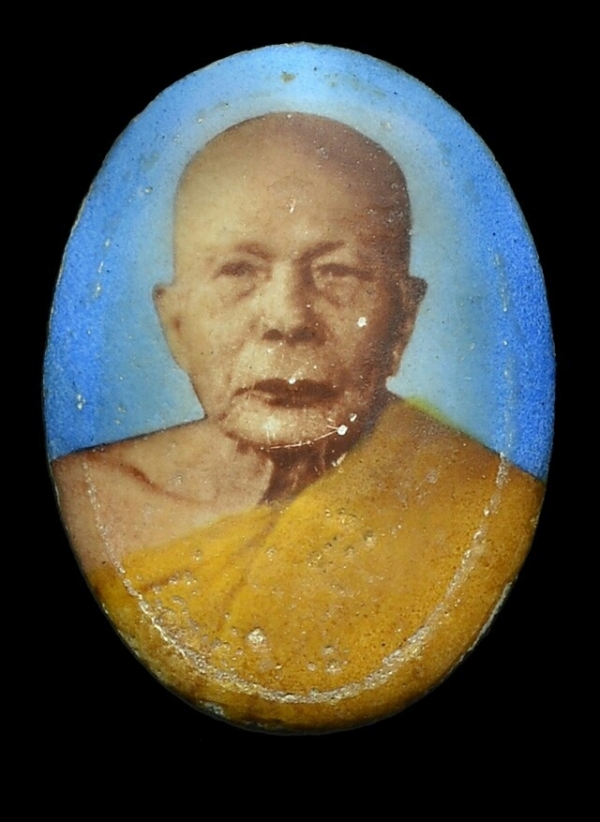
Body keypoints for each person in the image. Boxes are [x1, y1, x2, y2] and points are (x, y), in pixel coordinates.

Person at [52, 113, 544, 732]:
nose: (288, 318)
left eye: (338, 272)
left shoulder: (489, 510)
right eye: (239, 271)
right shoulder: (86, 501)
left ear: (404, 320)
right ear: (175, 324)